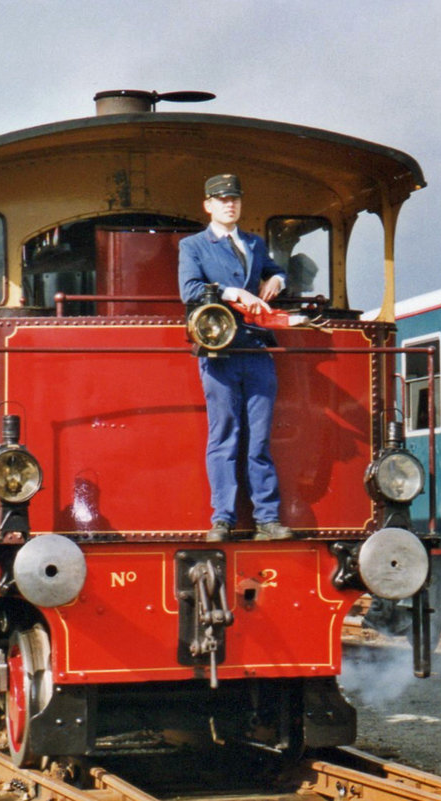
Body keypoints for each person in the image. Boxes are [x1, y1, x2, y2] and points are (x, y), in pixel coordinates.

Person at [178, 173, 294, 542]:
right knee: (225, 435)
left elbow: (272, 270)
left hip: (257, 349)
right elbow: (190, 291)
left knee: (259, 440)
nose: (230, 204)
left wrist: (277, 279)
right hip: (220, 351)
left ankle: (267, 519)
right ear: (208, 205)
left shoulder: (255, 244)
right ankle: (223, 519)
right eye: (222, 198)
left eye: (235, 199)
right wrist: (231, 293)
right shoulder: (194, 246)